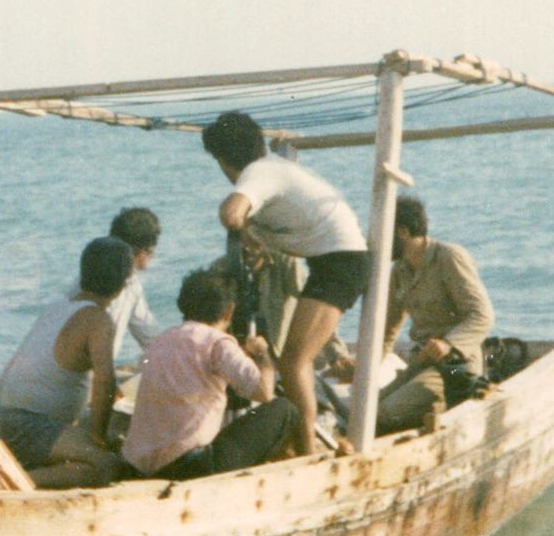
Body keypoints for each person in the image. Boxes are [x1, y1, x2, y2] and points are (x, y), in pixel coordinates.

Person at [201, 111, 368, 458]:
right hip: (330, 259)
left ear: (223, 160)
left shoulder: (258, 173)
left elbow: (231, 214)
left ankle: (306, 450)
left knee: (293, 362)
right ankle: (297, 440)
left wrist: (243, 229)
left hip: (342, 261)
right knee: (293, 360)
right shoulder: (274, 167)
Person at [121, 264, 298, 479]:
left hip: (140, 465)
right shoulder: (217, 343)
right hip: (190, 466)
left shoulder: (160, 341)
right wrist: (262, 354)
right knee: (285, 409)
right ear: (229, 310)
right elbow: (264, 392)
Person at [0, 236, 131, 488]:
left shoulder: (59, 305)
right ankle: (12, 484)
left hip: (4, 412)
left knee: (99, 441)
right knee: (107, 465)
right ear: (123, 283)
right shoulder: (98, 320)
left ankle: (30, 473)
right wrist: (98, 438)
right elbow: (105, 382)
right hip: (28, 425)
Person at [373, 196, 495, 434]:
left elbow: (482, 315)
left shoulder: (448, 257)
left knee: (386, 413)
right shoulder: (399, 271)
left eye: (381, 232)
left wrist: (448, 344)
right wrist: (364, 368)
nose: (376, 241)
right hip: (422, 364)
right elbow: (388, 329)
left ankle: (444, 407)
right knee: (364, 409)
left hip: (455, 368)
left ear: (402, 232)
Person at [103, 207, 161, 359]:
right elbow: (153, 341)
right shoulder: (128, 285)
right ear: (142, 252)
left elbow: (150, 337)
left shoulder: (89, 274)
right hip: (91, 370)